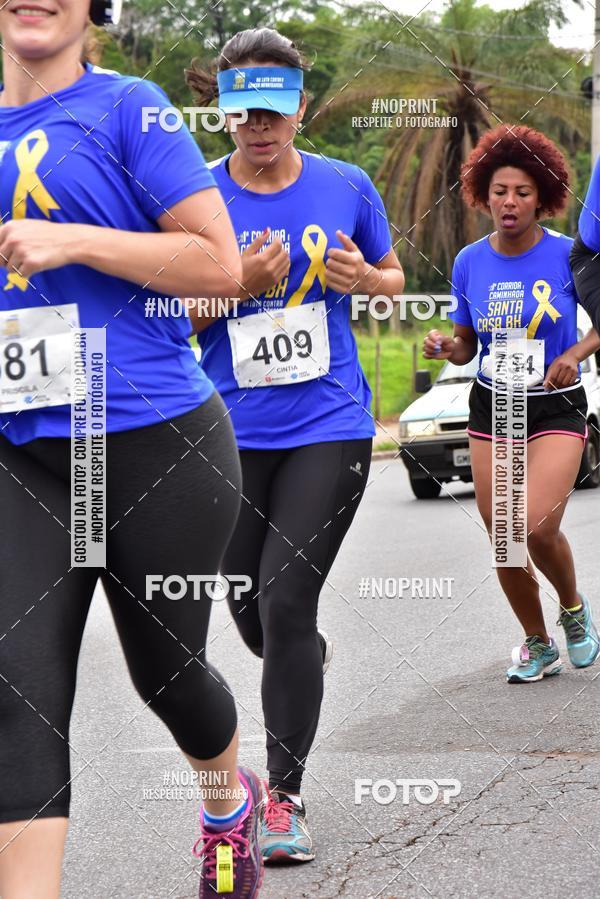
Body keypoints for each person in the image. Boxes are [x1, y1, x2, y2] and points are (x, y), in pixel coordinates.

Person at [0, 2, 263, 897]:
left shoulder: (129, 109)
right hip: (24, 447)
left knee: (170, 677)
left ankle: (228, 804)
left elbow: (219, 265)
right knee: (16, 689)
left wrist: (71, 240)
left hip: (155, 444)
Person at [185, 27, 404, 862]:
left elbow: (391, 279)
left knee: (283, 604)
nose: (259, 126)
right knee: (253, 617)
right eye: (244, 112)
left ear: (300, 107)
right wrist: (235, 286)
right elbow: (161, 318)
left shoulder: (346, 184)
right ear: (223, 113)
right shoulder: (193, 199)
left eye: (274, 109)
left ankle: (283, 799)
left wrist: (366, 280)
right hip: (227, 435)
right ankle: (303, 653)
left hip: (330, 425)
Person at [424, 124, 600, 684]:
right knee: (504, 538)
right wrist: (445, 348)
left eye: (523, 192)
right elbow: (465, 345)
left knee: (537, 525)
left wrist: (574, 352)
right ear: (484, 194)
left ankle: (573, 609)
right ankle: (538, 643)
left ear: (542, 197)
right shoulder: (469, 261)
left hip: (555, 405)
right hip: (493, 407)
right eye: (500, 190)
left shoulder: (569, 255)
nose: (510, 202)